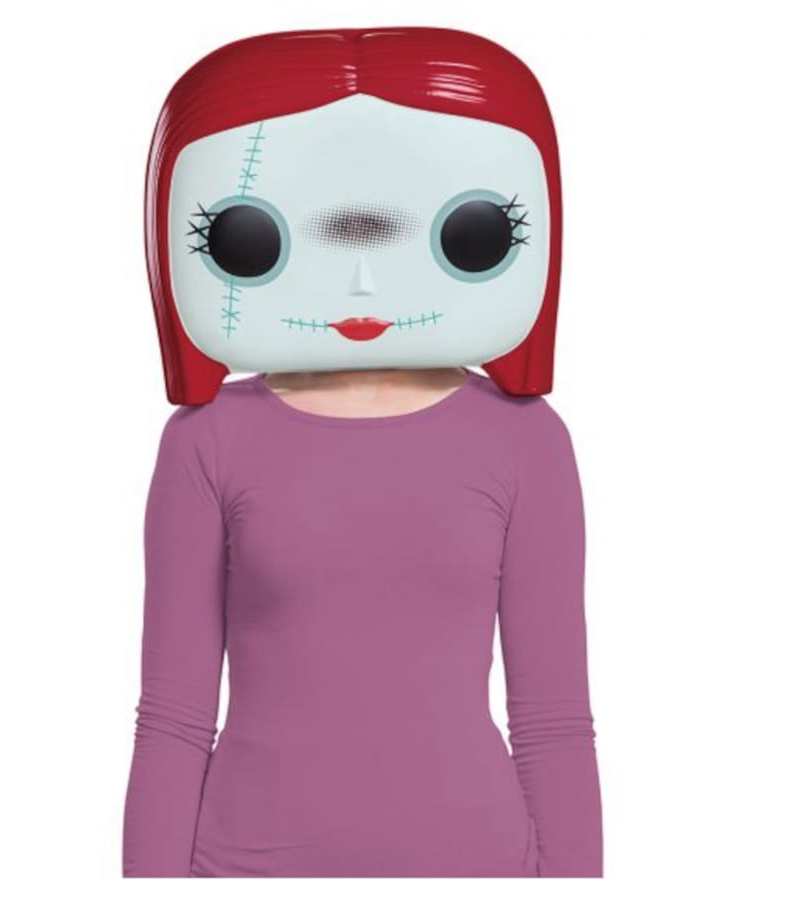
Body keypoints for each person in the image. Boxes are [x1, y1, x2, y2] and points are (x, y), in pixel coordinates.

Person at [122, 26, 603, 877]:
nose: (361, 285)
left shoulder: (527, 439)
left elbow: (554, 720)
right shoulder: (207, 439)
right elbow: (172, 717)